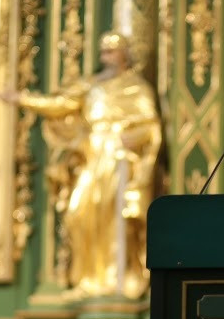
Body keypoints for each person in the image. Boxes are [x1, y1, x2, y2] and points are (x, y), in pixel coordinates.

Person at [9, 31, 162, 298]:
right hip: (93, 154)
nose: (105, 57)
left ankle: (116, 280)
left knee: (115, 216)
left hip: (118, 158)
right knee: (79, 212)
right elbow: (60, 104)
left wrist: (133, 137)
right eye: (103, 52)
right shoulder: (91, 85)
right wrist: (22, 98)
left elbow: (150, 126)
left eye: (111, 51)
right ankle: (88, 280)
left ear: (125, 55)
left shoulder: (136, 88)